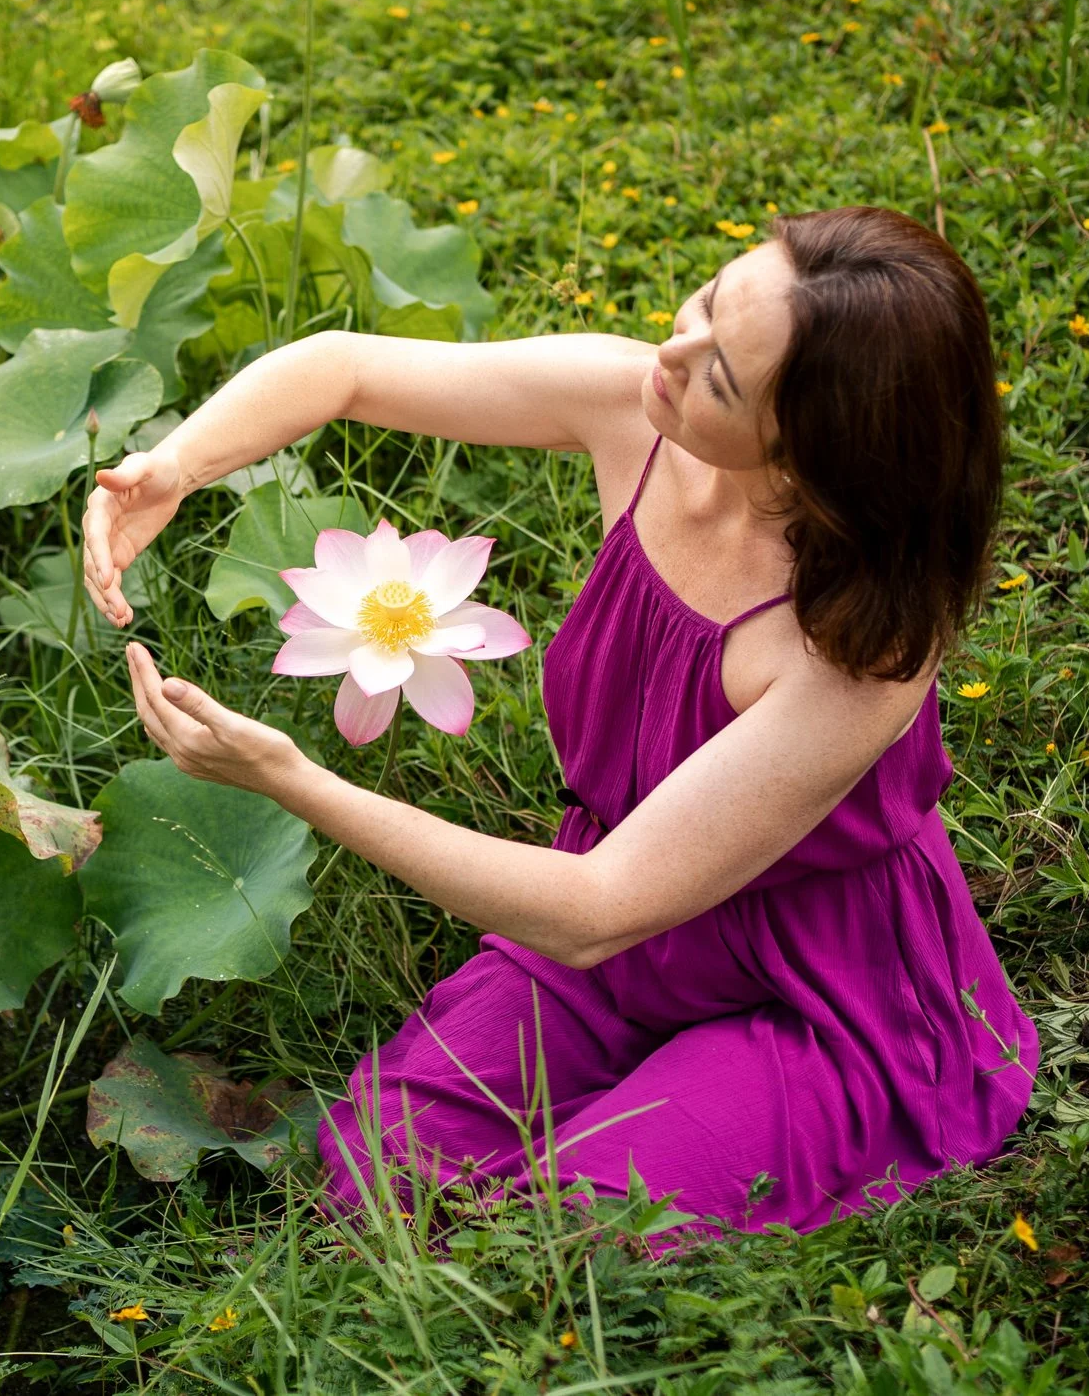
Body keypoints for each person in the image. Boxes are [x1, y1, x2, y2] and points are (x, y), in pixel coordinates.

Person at [79, 206, 1038, 1238]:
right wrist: (175, 464)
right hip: (629, 951)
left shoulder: (853, 648)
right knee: (383, 1170)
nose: (672, 352)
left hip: (809, 989)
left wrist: (292, 778)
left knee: (573, 1232)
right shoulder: (636, 408)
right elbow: (343, 367)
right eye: (710, 300)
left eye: (721, 375)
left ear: (810, 453)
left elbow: (597, 905)